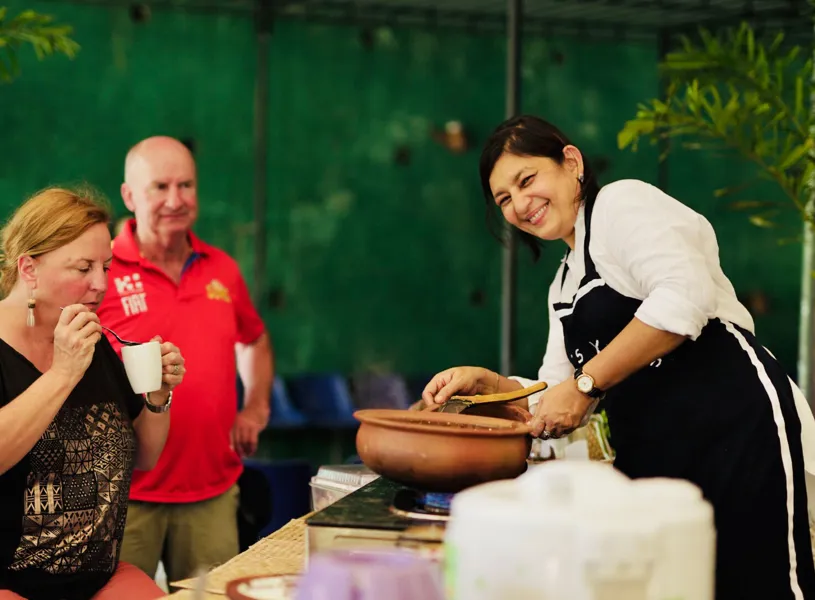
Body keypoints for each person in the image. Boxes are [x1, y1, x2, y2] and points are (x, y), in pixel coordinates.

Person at [422, 115, 815, 600]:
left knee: (759, 583)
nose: (521, 204)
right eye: (504, 199)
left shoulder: (621, 204)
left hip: (734, 427)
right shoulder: (563, 286)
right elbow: (554, 396)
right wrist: (493, 386)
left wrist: (588, 385)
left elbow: (683, 296)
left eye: (527, 180)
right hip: (656, 451)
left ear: (570, 163)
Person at [96, 136, 274, 584]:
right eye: (159, 187)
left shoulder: (223, 269)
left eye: (186, 185)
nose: (175, 200)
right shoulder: (100, 271)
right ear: (129, 196)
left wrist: (255, 406)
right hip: (122, 494)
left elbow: (254, 340)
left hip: (212, 492)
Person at [0, 187, 186, 600]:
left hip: (99, 579)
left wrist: (157, 396)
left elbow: (147, 458)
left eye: (106, 265)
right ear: (29, 268)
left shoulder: (93, 341)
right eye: (83, 268)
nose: (101, 284)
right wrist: (63, 373)